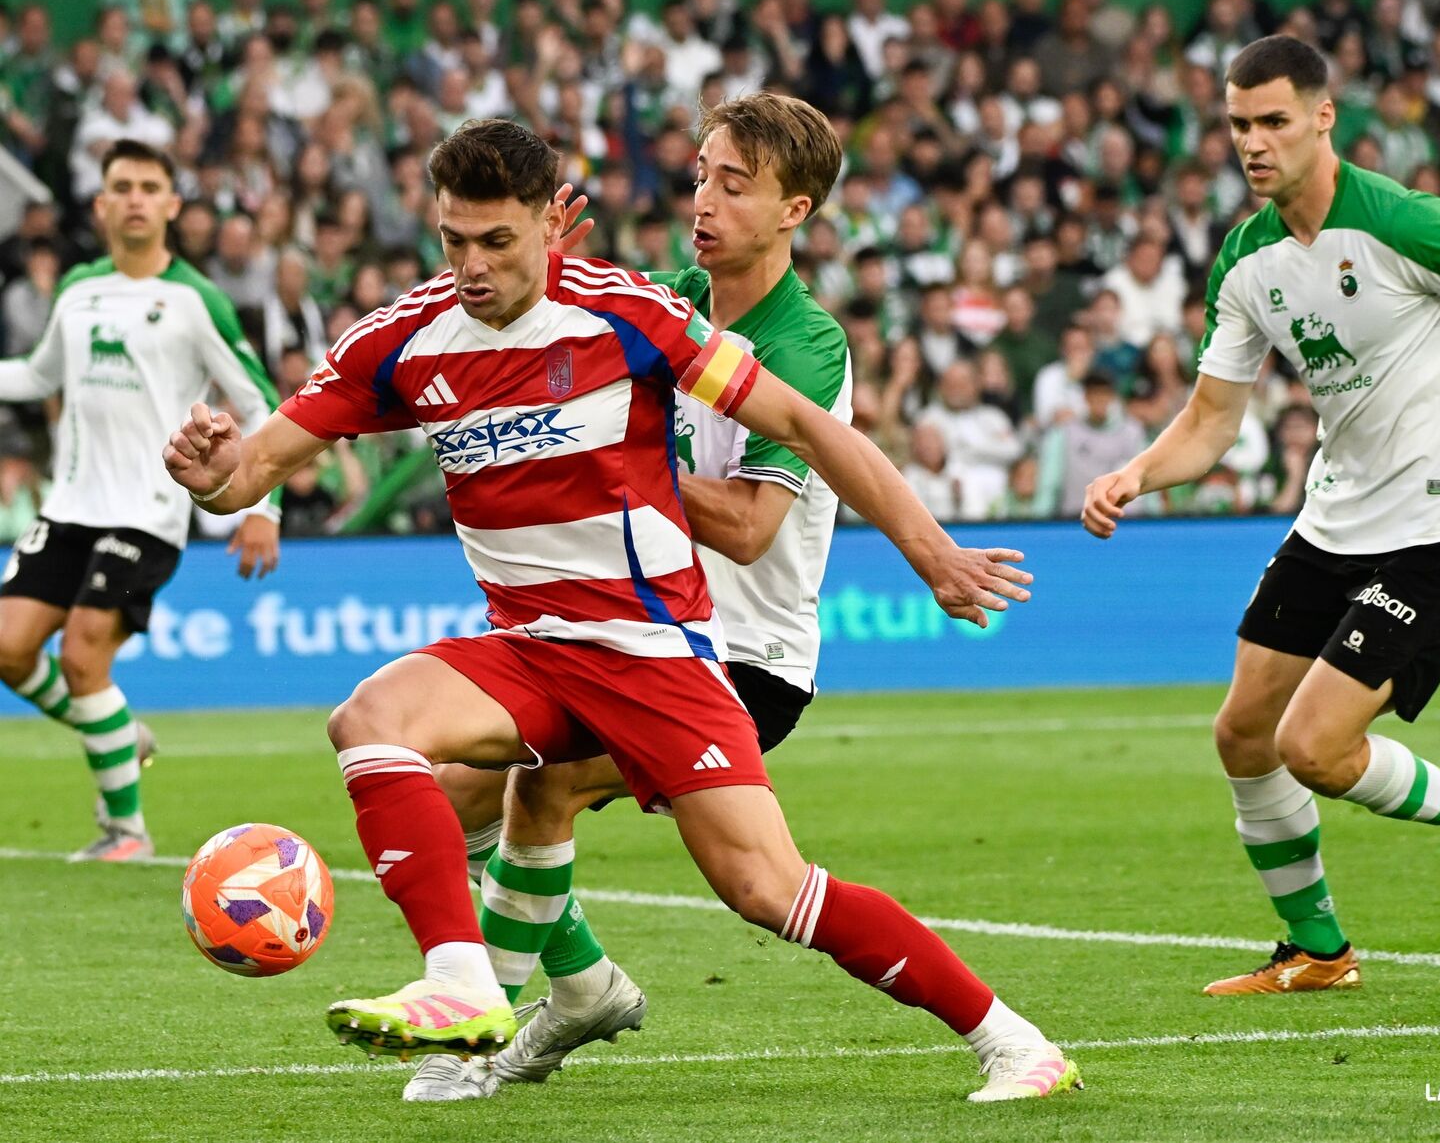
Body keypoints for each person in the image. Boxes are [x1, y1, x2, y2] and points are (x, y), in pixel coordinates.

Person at [163, 118, 1081, 1104]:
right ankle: (462, 984)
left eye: (497, 241)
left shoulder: (630, 316)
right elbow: (250, 469)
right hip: (531, 646)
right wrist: (214, 475)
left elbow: (802, 427)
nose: (471, 267)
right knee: (371, 720)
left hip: (655, 653)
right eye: (453, 240)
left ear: (547, 226)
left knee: (765, 887)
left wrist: (933, 554)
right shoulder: (402, 339)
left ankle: (1011, 1039)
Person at [1082, 37, 1440, 996]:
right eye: (1238, 125)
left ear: (1322, 118)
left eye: (1272, 122)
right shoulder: (1246, 259)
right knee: (1243, 733)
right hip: (1331, 524)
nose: (1253, 143)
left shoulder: (1403, 220)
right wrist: (1137, 473)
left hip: (1437, 530)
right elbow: (1212, 421)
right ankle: (1319, 950)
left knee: (1313, 747)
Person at [408, 94, 861, 1103]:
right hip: (630, 638)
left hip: (741, 659)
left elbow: (749, 525)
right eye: (700, 176)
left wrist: (611, 459)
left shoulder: (805, 345)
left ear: (794, 211)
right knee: (452, 787)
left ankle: (477, 1034)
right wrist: (540, 280)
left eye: (733, 184)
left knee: (550, 791)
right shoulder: (671, 297)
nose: (703, 200)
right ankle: (577, 986)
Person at [0, 140, 281, 863]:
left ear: (171, 204)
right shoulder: (78, 289)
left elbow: (260, 400)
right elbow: (37, 376)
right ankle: (120, 732)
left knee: (83, 656)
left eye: (149, 187)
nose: (134, 198)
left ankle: (125, 832)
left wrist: (263, 507)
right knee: (8, 648)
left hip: (149, 512)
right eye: (121, 186)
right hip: (69, 507)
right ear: (100, 204)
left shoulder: (195, 299)